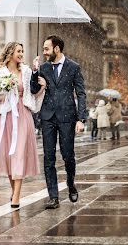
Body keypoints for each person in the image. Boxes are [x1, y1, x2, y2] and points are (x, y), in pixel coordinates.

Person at [31, 35, 86, 209]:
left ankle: (70, 184)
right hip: (48, 117)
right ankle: (53, 196)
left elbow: (81, 93)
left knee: (68, 155)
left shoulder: (73, 67)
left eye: (47, 49)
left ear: (57, 49)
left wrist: (81, 119)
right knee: (49, 158)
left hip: (67, 117)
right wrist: (34, 73)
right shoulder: (43, 68)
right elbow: (33, 90)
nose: (44, 52)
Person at [0, 42, 39, 209]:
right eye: (19, 51)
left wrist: (37, 72)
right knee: (8, 155)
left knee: (19, 152)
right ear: (10, 53)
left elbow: (33, 91)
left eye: (23, 51)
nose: (21, 54)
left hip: (22, 115)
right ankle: (14, 190)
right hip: (4, 116)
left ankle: (17, 196)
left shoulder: (27, 71)